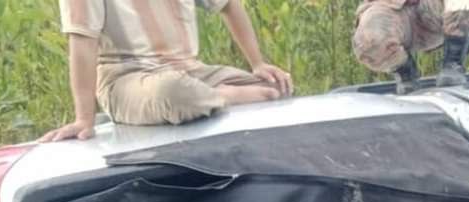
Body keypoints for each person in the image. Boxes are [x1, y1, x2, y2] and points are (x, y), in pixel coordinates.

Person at [43, 0, 292, 141]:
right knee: (174, 91)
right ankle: (222, 96)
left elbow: (229, 4)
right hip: (127, 79)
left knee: (275, 85)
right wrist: (84, 119)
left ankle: (208, 97)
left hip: (190, 71)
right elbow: (82, 42)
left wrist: (258, 64)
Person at [353, 0, 469, 95]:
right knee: (367, 40)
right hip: (390, 9)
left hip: (433, 11)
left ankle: (453, 65)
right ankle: (405, 73)